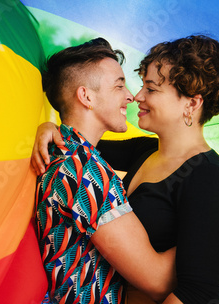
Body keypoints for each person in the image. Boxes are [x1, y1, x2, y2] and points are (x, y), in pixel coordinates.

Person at [32, 35, 219, 304]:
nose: (136, 96)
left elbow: (196, 294)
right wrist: (48, 128)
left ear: (192, 104)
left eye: (152, 89)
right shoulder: (144, 150)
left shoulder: (210, 178)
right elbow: (81, 142)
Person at [35, 37, 177, 304]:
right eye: (119, 85)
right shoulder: (85, 171)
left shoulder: (63, 152)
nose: (130, 96)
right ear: (86, 96)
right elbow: (157, 281)